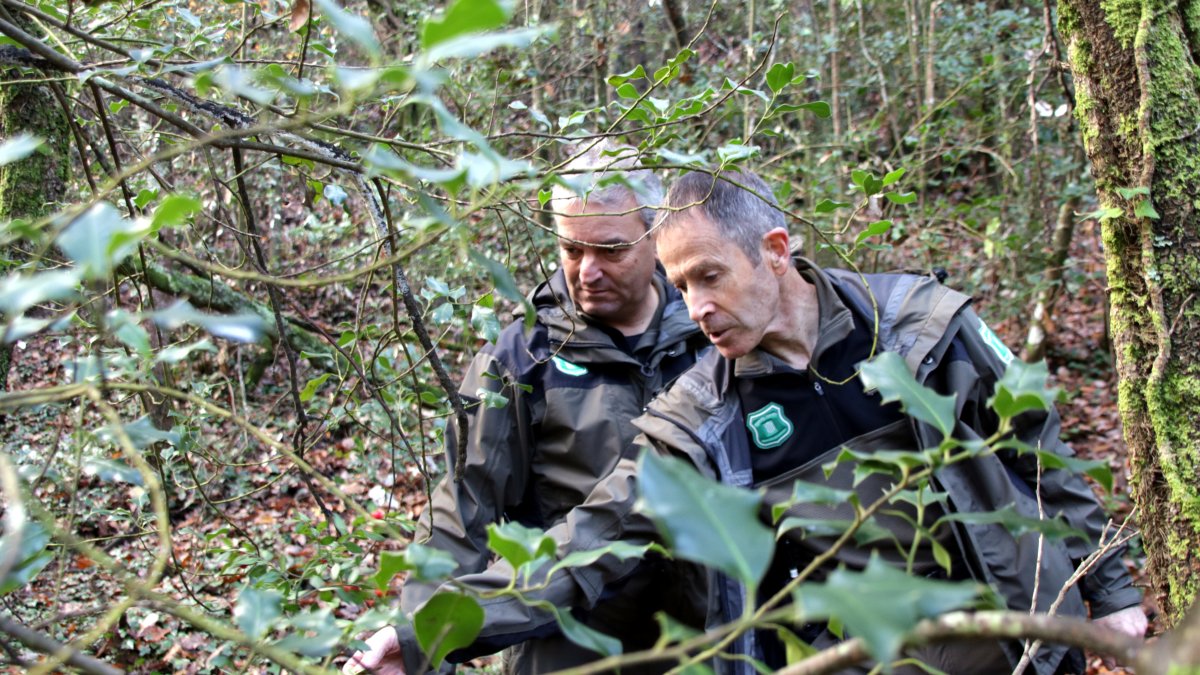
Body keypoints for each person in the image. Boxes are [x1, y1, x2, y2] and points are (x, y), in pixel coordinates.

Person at [628, 168, 1148, 674]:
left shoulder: (917, 325)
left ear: (776, 251)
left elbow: (1035, 447)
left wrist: (1110, 591)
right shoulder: (708, 412)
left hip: (1020, 639)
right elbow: (616, 519)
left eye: (709, 276)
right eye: (681, 286)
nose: (695, 308)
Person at [343, 144, 709, 675]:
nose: (588, 272)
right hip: (565, 639)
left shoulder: (710, 332)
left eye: (611, 250)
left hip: (704, 635)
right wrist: (422, 644)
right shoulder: (522, 358)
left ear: (656, 235)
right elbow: (464, 508)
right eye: (571, 249)